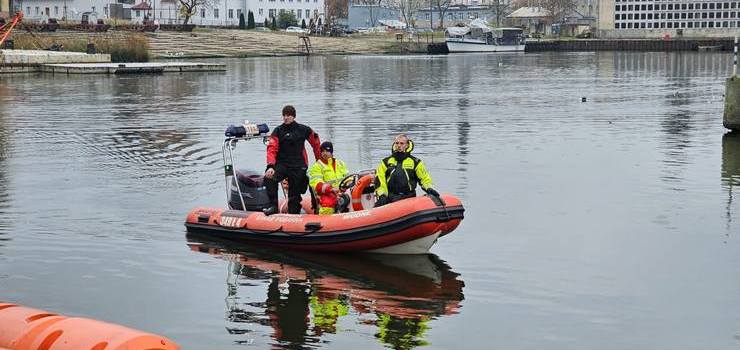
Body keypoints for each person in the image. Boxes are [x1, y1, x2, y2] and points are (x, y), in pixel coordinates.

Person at [263, 105, 321, 215]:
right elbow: (271, 149)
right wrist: (270, 166)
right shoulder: (278, 131)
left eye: (288, 115)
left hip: (299, 165)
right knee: (269, 178)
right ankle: (273, 206)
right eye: (284, 115)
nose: (285, 117)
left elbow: (316, 143)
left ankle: (297, 212)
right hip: (283, 165)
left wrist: (319, 161)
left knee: (294, 197)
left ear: (293, 116)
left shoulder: (303, 129)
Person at [374, 134, 439, 206]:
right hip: (391, 198)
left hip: (409, 198)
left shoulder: (416, 162)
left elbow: (424, 178)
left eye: (402, 143)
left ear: (407, 145)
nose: (399, 145)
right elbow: (380, 180)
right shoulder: (385, 162)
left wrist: (429, 188)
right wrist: (382, 195)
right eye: (397, 143)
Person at [308, 141, 349, 215]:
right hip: (327, 193)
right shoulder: (317, 166)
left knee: (355, 197)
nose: (325, 153)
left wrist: (347, 186)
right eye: (323, 151)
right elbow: (316, 182)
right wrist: (330, 189)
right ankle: (325, 223)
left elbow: (348, 178)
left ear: (331, 152)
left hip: (342, 191)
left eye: (327, 151)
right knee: (328, 206)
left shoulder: (340, 163)